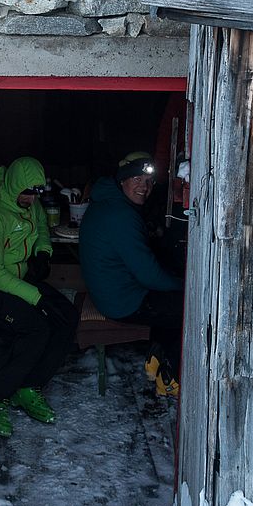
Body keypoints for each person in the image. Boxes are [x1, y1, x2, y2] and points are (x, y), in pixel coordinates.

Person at [0, 156, 79, 438]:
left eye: (37, 192)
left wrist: (42, 253)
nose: (32, 198)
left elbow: (40, 231)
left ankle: (28, 386)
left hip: (24, 279)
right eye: (27, 192)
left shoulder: (32, 204)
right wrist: (36, 297)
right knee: (35, 329)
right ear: (15, 187)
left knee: (67, 318)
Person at [79, 152, 184, 397]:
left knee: (168, 301)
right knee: (187, 308)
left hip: (113, 289)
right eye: (137, 179)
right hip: (121, 302)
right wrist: (184, 284)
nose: (144, 187)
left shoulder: (108, 202)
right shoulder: (120, 215)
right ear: (122, 180)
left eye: (148, 182)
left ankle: (157, 357)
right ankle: (171, 378)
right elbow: (149, 277)